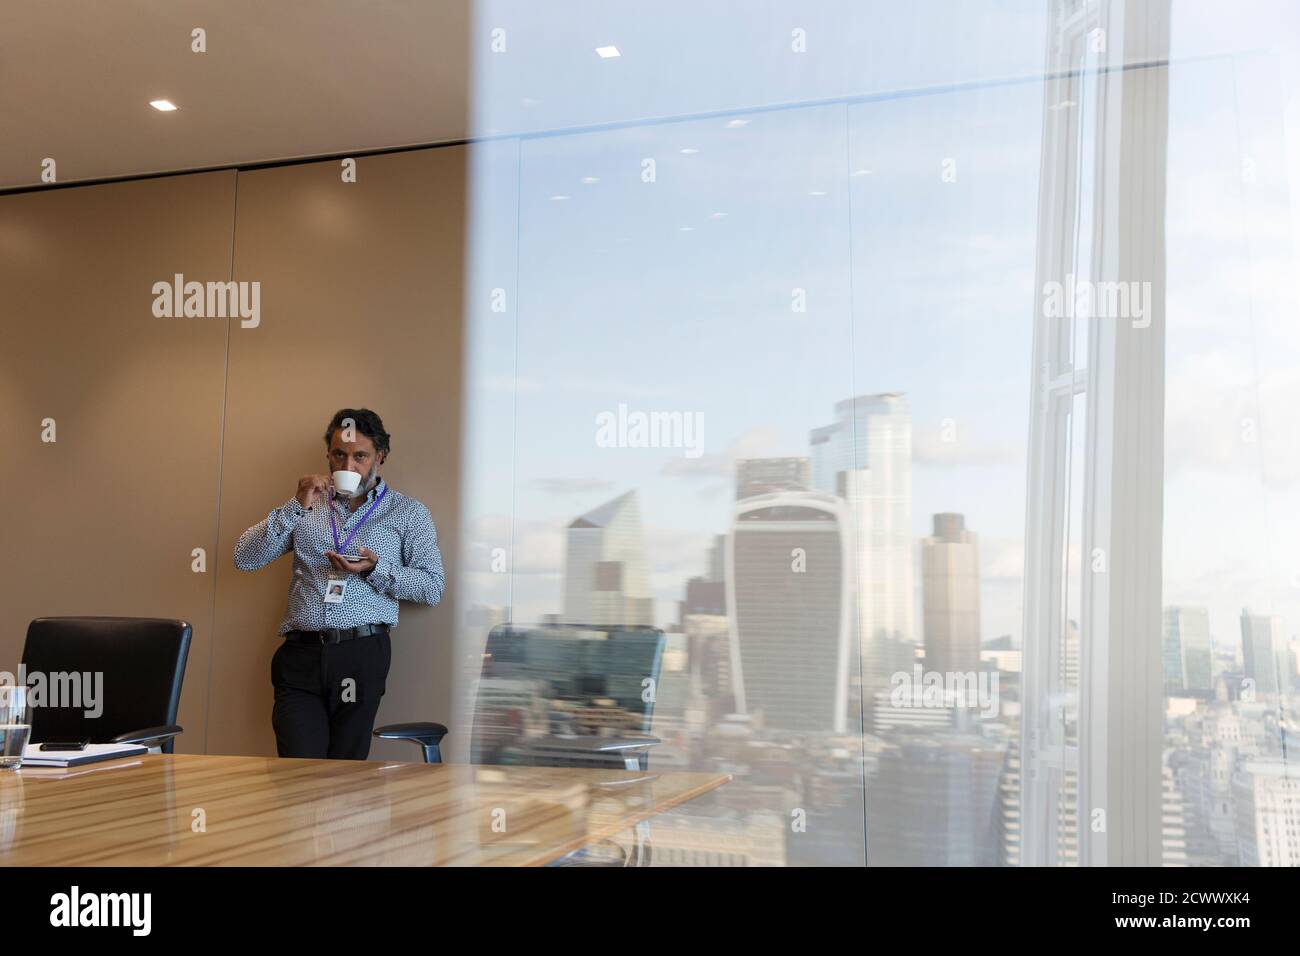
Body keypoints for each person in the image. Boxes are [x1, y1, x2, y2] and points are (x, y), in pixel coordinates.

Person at [234, 408, 444, 759]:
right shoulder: (306, 505)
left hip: (362, 654)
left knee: (347, 777)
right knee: (298, 775)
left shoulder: (408, 513)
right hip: (300, 655)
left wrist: (374, 569)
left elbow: (432, 587)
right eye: (339, 455)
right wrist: (294, 506)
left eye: (360, 456)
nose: (348, 466)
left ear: (381, 456)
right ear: (328, 455)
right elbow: (245, 557)